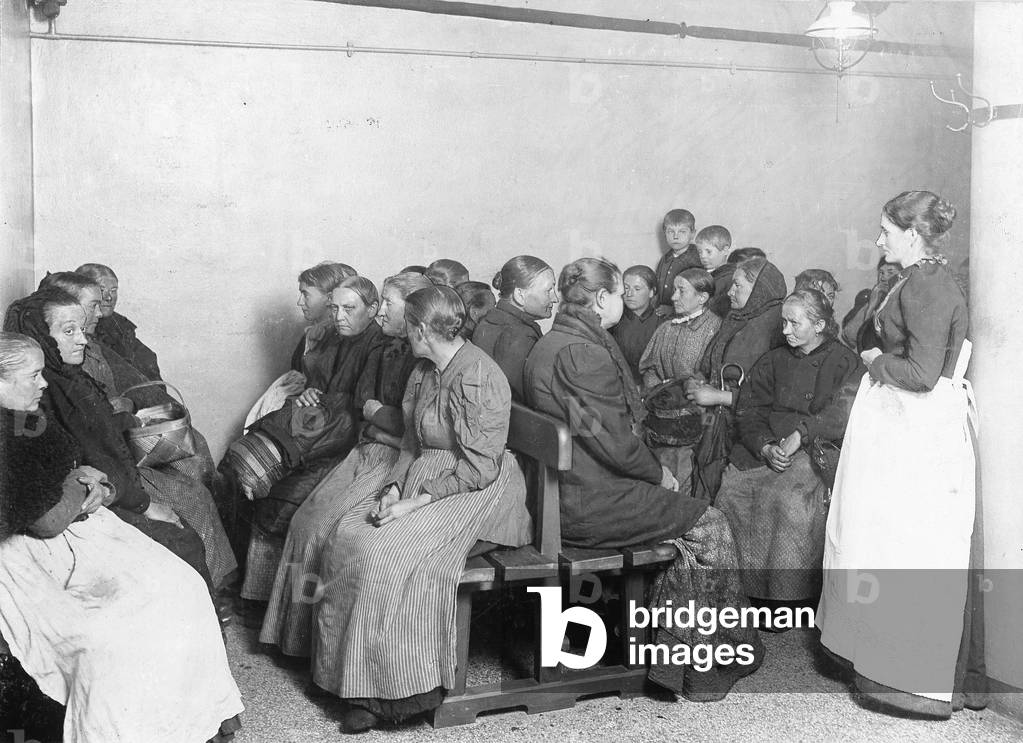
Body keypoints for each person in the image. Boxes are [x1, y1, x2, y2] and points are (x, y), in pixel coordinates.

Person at [523, 258, 763, 701]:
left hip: (566, 492)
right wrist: (659, 474)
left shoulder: (551, 342)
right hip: (589, 503)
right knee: (711, 527)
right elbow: (611, 441)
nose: (620, 300)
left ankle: (671, 655)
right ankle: (700, 669)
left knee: (694, 525)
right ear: (601, 299)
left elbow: (596, 434)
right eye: (616, 293)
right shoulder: (583, 353)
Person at [0, 332, 243, 743]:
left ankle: (188, 721)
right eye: (34, 376)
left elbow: (73, 473)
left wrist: (95, 487)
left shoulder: (30, 418)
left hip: (85, 533)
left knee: (182, 585)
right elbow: (44, 521)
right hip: (32, 557)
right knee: (113, 634)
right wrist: (81, 487)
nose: (43, 384)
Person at [310, 286, 531, 733]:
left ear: (424, 329)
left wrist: (416, 501)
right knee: (348, 535)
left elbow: (481, 467)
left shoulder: (479, 376)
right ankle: (351, 678)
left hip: (478, 488)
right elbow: (412, 441)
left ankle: (395, 694)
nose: (403, 332)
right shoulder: (425, 369)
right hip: (428, 473)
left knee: (386, 555)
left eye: (408, 325)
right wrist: (394, 488)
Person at [817, 191, 986, 717]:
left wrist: (872, 358)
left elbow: (921, 375)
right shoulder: (910, 279)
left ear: (912, 235)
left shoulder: (931, 285)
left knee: (910, 546)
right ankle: (873, 661)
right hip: (898, 426)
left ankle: (910, 680)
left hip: (921, 432)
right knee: (878, 542)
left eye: (885, 232)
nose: (877, 240)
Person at [4, 289, 229, 592]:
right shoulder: (40, 398)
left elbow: (98, 436)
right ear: (42, 335)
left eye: (81, 329)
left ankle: (216, 598)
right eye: (69, 331)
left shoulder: (67, 379)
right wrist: (138, 501)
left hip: (104, 487)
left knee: (188, 508)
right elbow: (65, 481)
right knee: (181, 537)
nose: (83, 339)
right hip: (96, 500)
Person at [260, 271, 434, 656]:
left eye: (389, 303)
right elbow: (363, 406)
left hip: (394, 458)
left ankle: (328, 648)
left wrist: (381, 419)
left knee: (330, 532)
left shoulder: (423, 358)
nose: (382, 311)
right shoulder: (385, 348)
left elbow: (411, 427)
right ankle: (296, 641)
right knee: (305, 524)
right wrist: (379, 417)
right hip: (368, 447)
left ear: (416, 308)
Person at [714, 290, 863, 602]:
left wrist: (802, 434)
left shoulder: (845, 362)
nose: (785, 331)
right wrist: (766, 446)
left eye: (794, 324)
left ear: (820, 325)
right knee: (731, 490)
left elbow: (843, 414)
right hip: (766, 450)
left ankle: (786, 599)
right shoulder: (773, 359)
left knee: (788, 498)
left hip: (816, 450)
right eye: (783, 322)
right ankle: (736, 594)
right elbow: (750, 411)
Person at [685, 257, 787, 501]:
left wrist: (719, 396)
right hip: (716, 418)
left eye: (738, 286)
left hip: (748, 431)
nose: (730, 292)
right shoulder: (736, 318)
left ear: (759, 289)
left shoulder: (779, 328)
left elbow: (778, 396)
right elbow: (710, 362)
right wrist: (698, 380)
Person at [472, 255, 556, 401]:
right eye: (548, 290)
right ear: (519, 295)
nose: (555, 298)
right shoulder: (521, 335)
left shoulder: (487, 322)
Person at [75, 262, 162, 381]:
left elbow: (147, 361)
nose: (109, 297)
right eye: (102, 290)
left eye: (113, 290)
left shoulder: (121, 326)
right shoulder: (74, 325)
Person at [639, 267, 722, 391]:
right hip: (662, 401)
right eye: (674, 290)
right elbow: (649, 368)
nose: (674, 297)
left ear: (702, 298)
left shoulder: (716, 329)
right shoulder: (666, 327)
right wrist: (659, 390)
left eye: (681, 291)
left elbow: (712, 376)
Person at [610, 265, 662, 385]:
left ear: (651, 292)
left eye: (637, 289)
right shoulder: (613, 319)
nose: (629, 294)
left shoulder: (663, 323)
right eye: (626, 288)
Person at [840, 259, 900, 352]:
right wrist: (871, 306)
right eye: (881, 273)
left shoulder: (903, 303)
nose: (883, 278)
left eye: (890, 272)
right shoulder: (874, 300)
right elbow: (850, 336)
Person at [654, 209, 702, 317]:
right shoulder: (665, 259)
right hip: (663, 315)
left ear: (693, 234)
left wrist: (672, 309)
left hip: (685, 315)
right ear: (664, 233)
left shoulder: (696, 260)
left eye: (682, 232)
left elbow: (697, 296)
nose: (676, 236)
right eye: (671, 231)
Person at [695, 225, 736, 318]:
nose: (703, 256)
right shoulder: (703, 274)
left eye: (708, 251)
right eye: (700, 252)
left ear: (725, 250)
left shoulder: (729, 278)